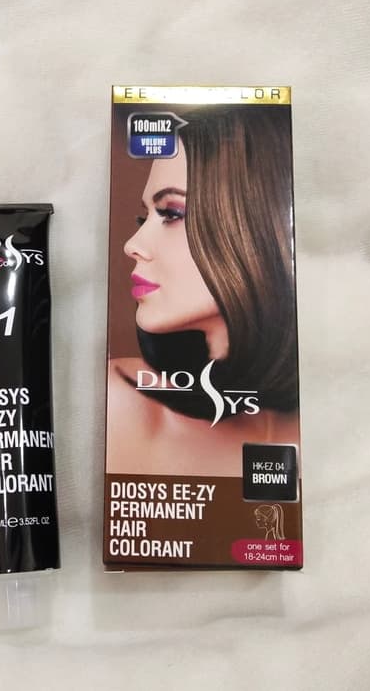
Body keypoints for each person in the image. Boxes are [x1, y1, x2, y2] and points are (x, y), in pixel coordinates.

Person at [106, 106, 300, 477]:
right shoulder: (123, 403)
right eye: (144, 217)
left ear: (257, 225)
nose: (133, 245)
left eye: (171, 213)